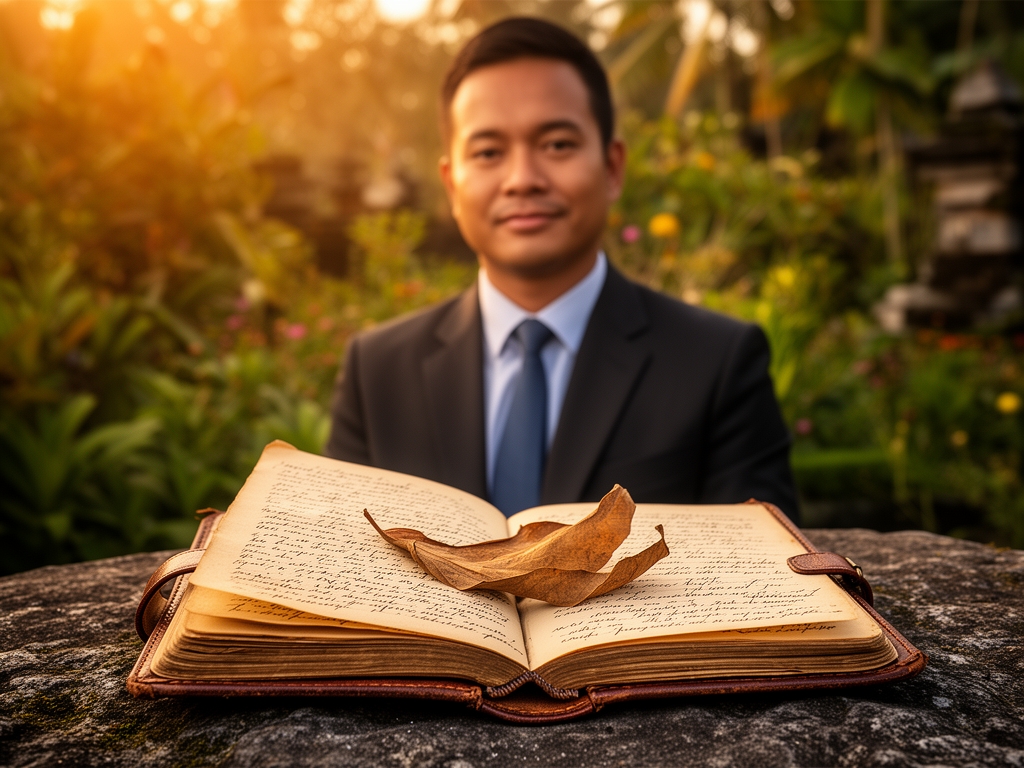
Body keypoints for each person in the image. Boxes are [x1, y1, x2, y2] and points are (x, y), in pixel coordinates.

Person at [326, 17, 799, 521]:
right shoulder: (377, 371)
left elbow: (766, 576)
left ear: (613, 167)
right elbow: (337, 563)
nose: (522, 180)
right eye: (488, 152)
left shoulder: (716, 363)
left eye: (556, 145)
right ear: (451, 185)